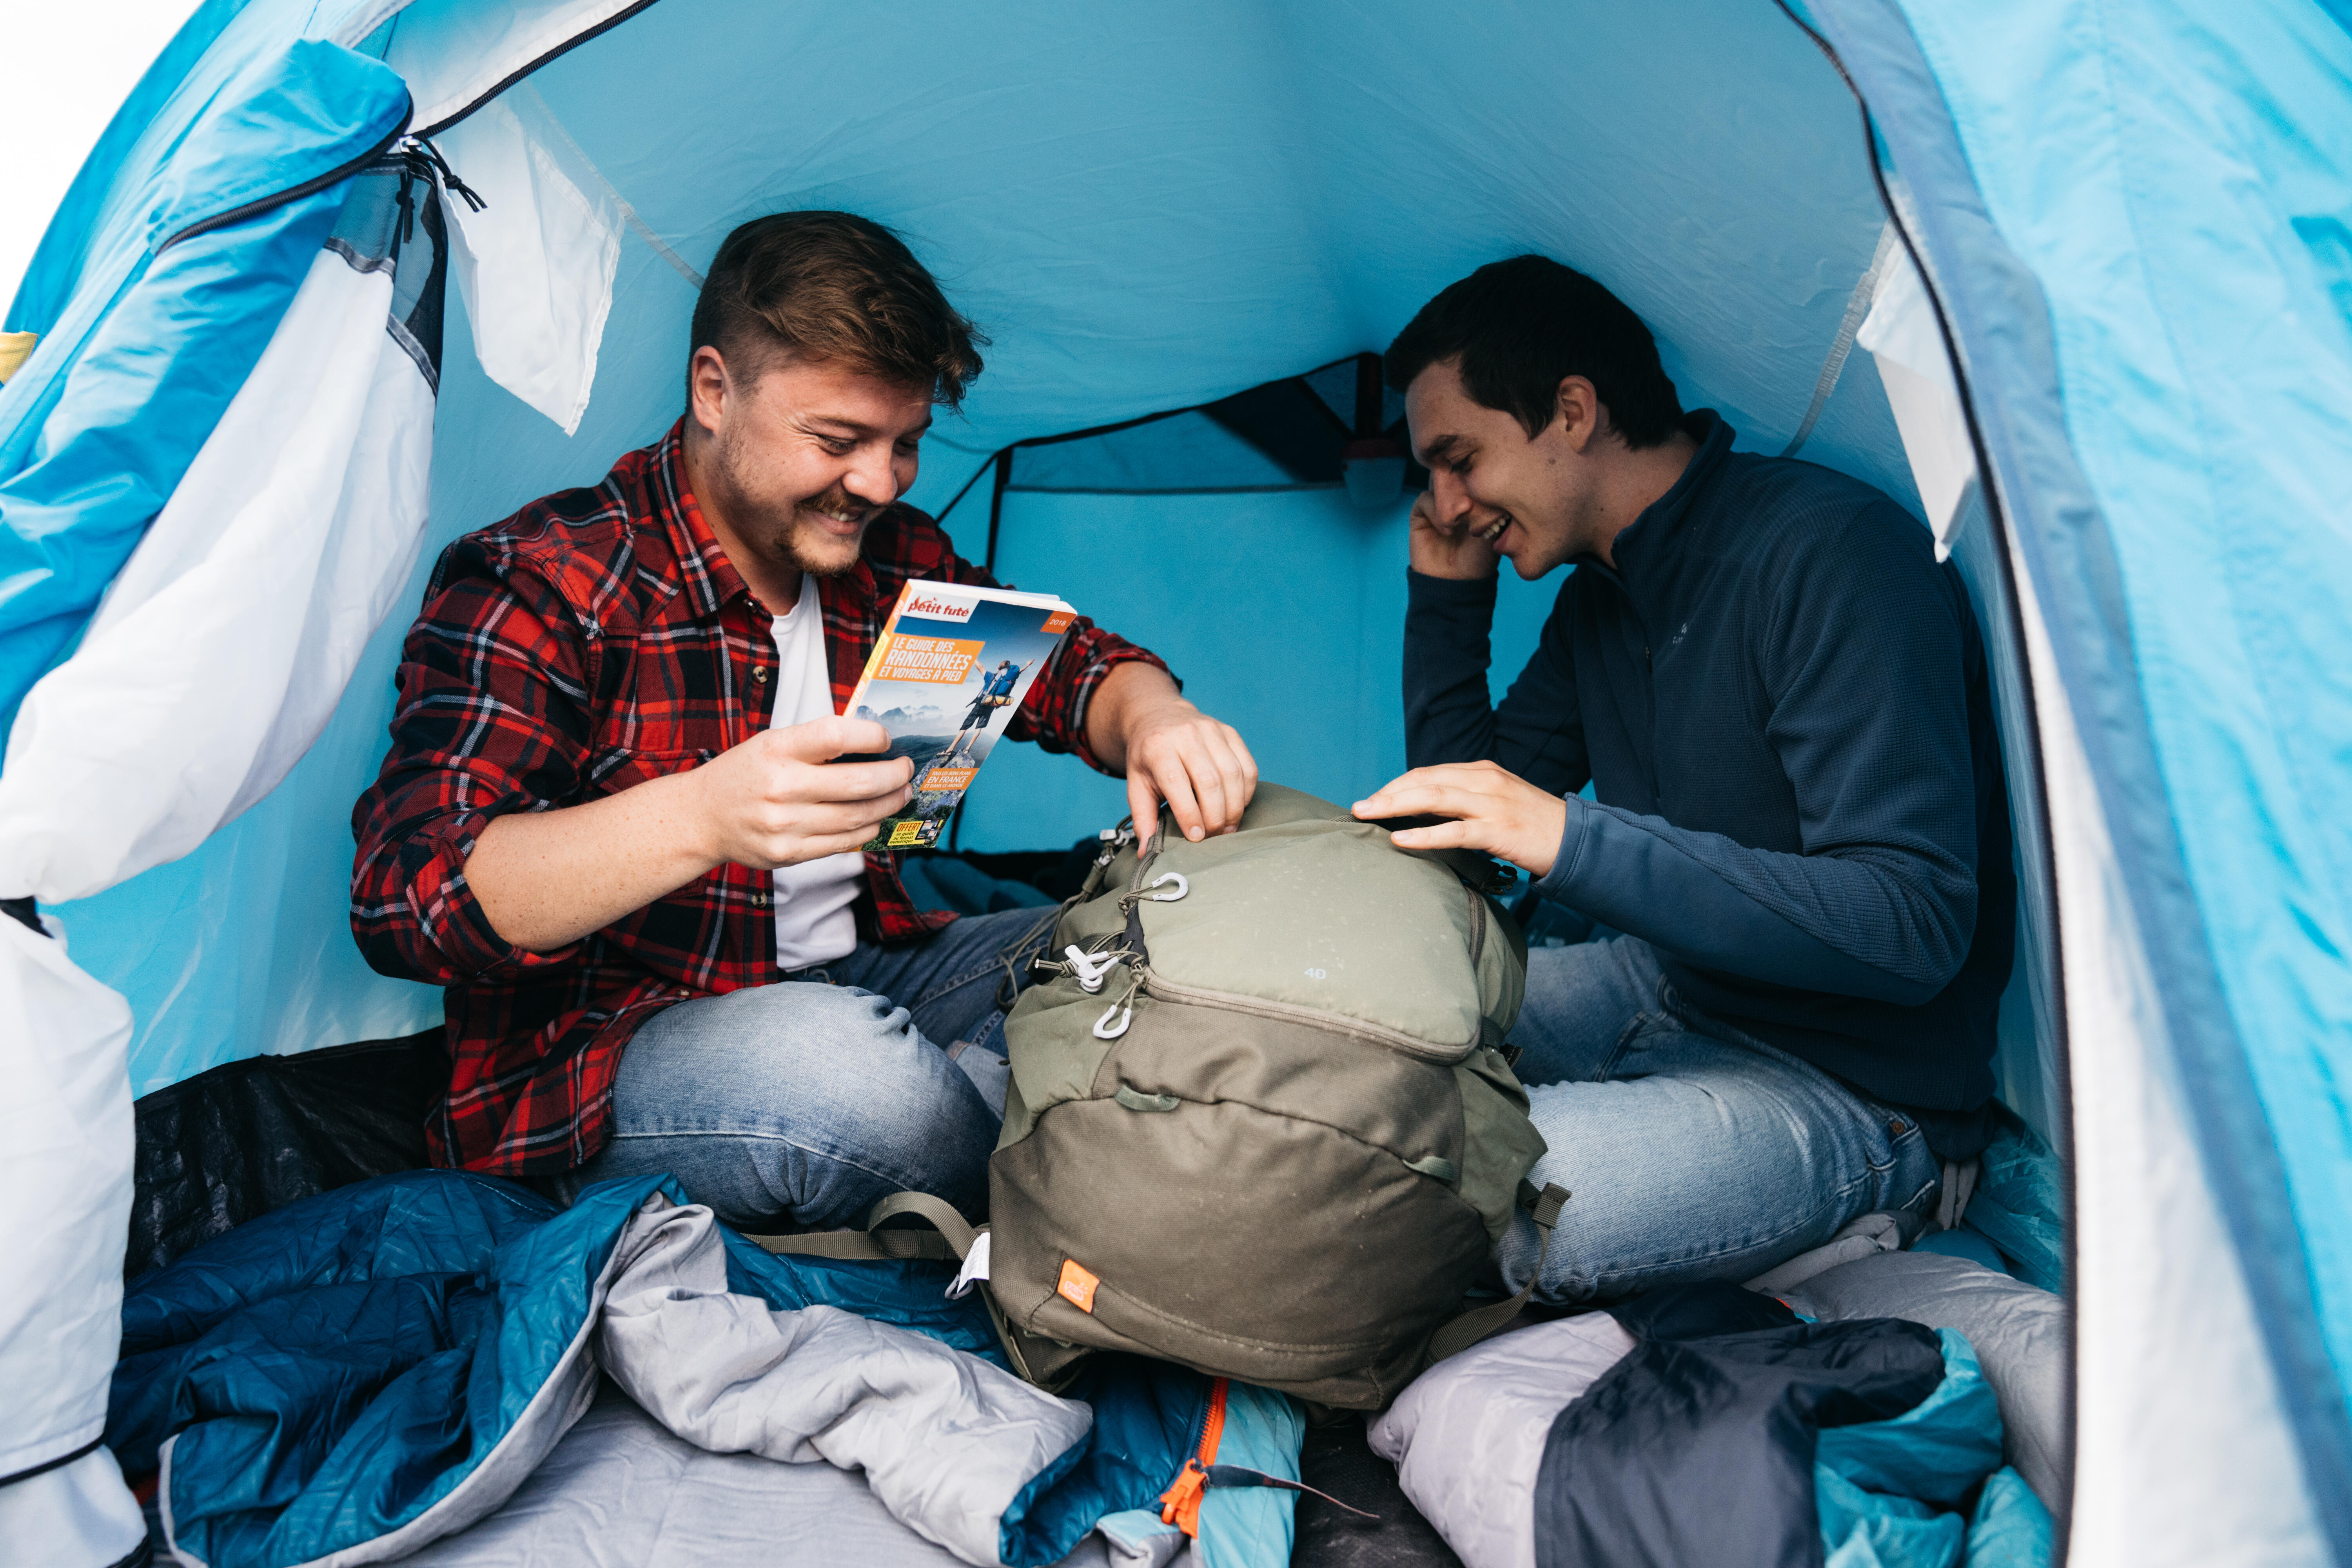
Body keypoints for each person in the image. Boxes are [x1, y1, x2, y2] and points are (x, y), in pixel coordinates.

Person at [352, 211, 1259, 1230]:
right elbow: (407, 900)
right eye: (838, 441)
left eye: (906, 444)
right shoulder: (549, 581)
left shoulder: (889, 557)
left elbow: (1070, 670)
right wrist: (698, 817)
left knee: (1154, 942)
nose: (877, 482)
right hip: (612, 1050)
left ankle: (976, 1136)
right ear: (713, 390)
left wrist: (1155, 719)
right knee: (853, 1079)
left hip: (867, 972)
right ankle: (1047, 1155)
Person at [1351, 255, 2014, 1303]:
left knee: (1461, 1193)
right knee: (1350, 1034)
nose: (1447, 503)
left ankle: (1860, 1220)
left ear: (1571, 411)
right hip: (1667, 986)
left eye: (1459, 458)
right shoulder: (1604, 604)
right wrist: (1446, 602)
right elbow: (1470, 817)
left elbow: (1913, 922)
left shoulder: (1832, 558)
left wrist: (1576, 839)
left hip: (1851, 1087)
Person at [942, 658, 1029, 766]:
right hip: (992, 705)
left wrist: (973, 657)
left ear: (999, 668)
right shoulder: (1010, 677)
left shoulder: (991, 677)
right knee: (979, 727)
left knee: (965, 727)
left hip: (982, 703)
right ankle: (968, 749)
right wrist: (1027, 665)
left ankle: (950, 750)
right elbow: (1019, 672)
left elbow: (980, 667)